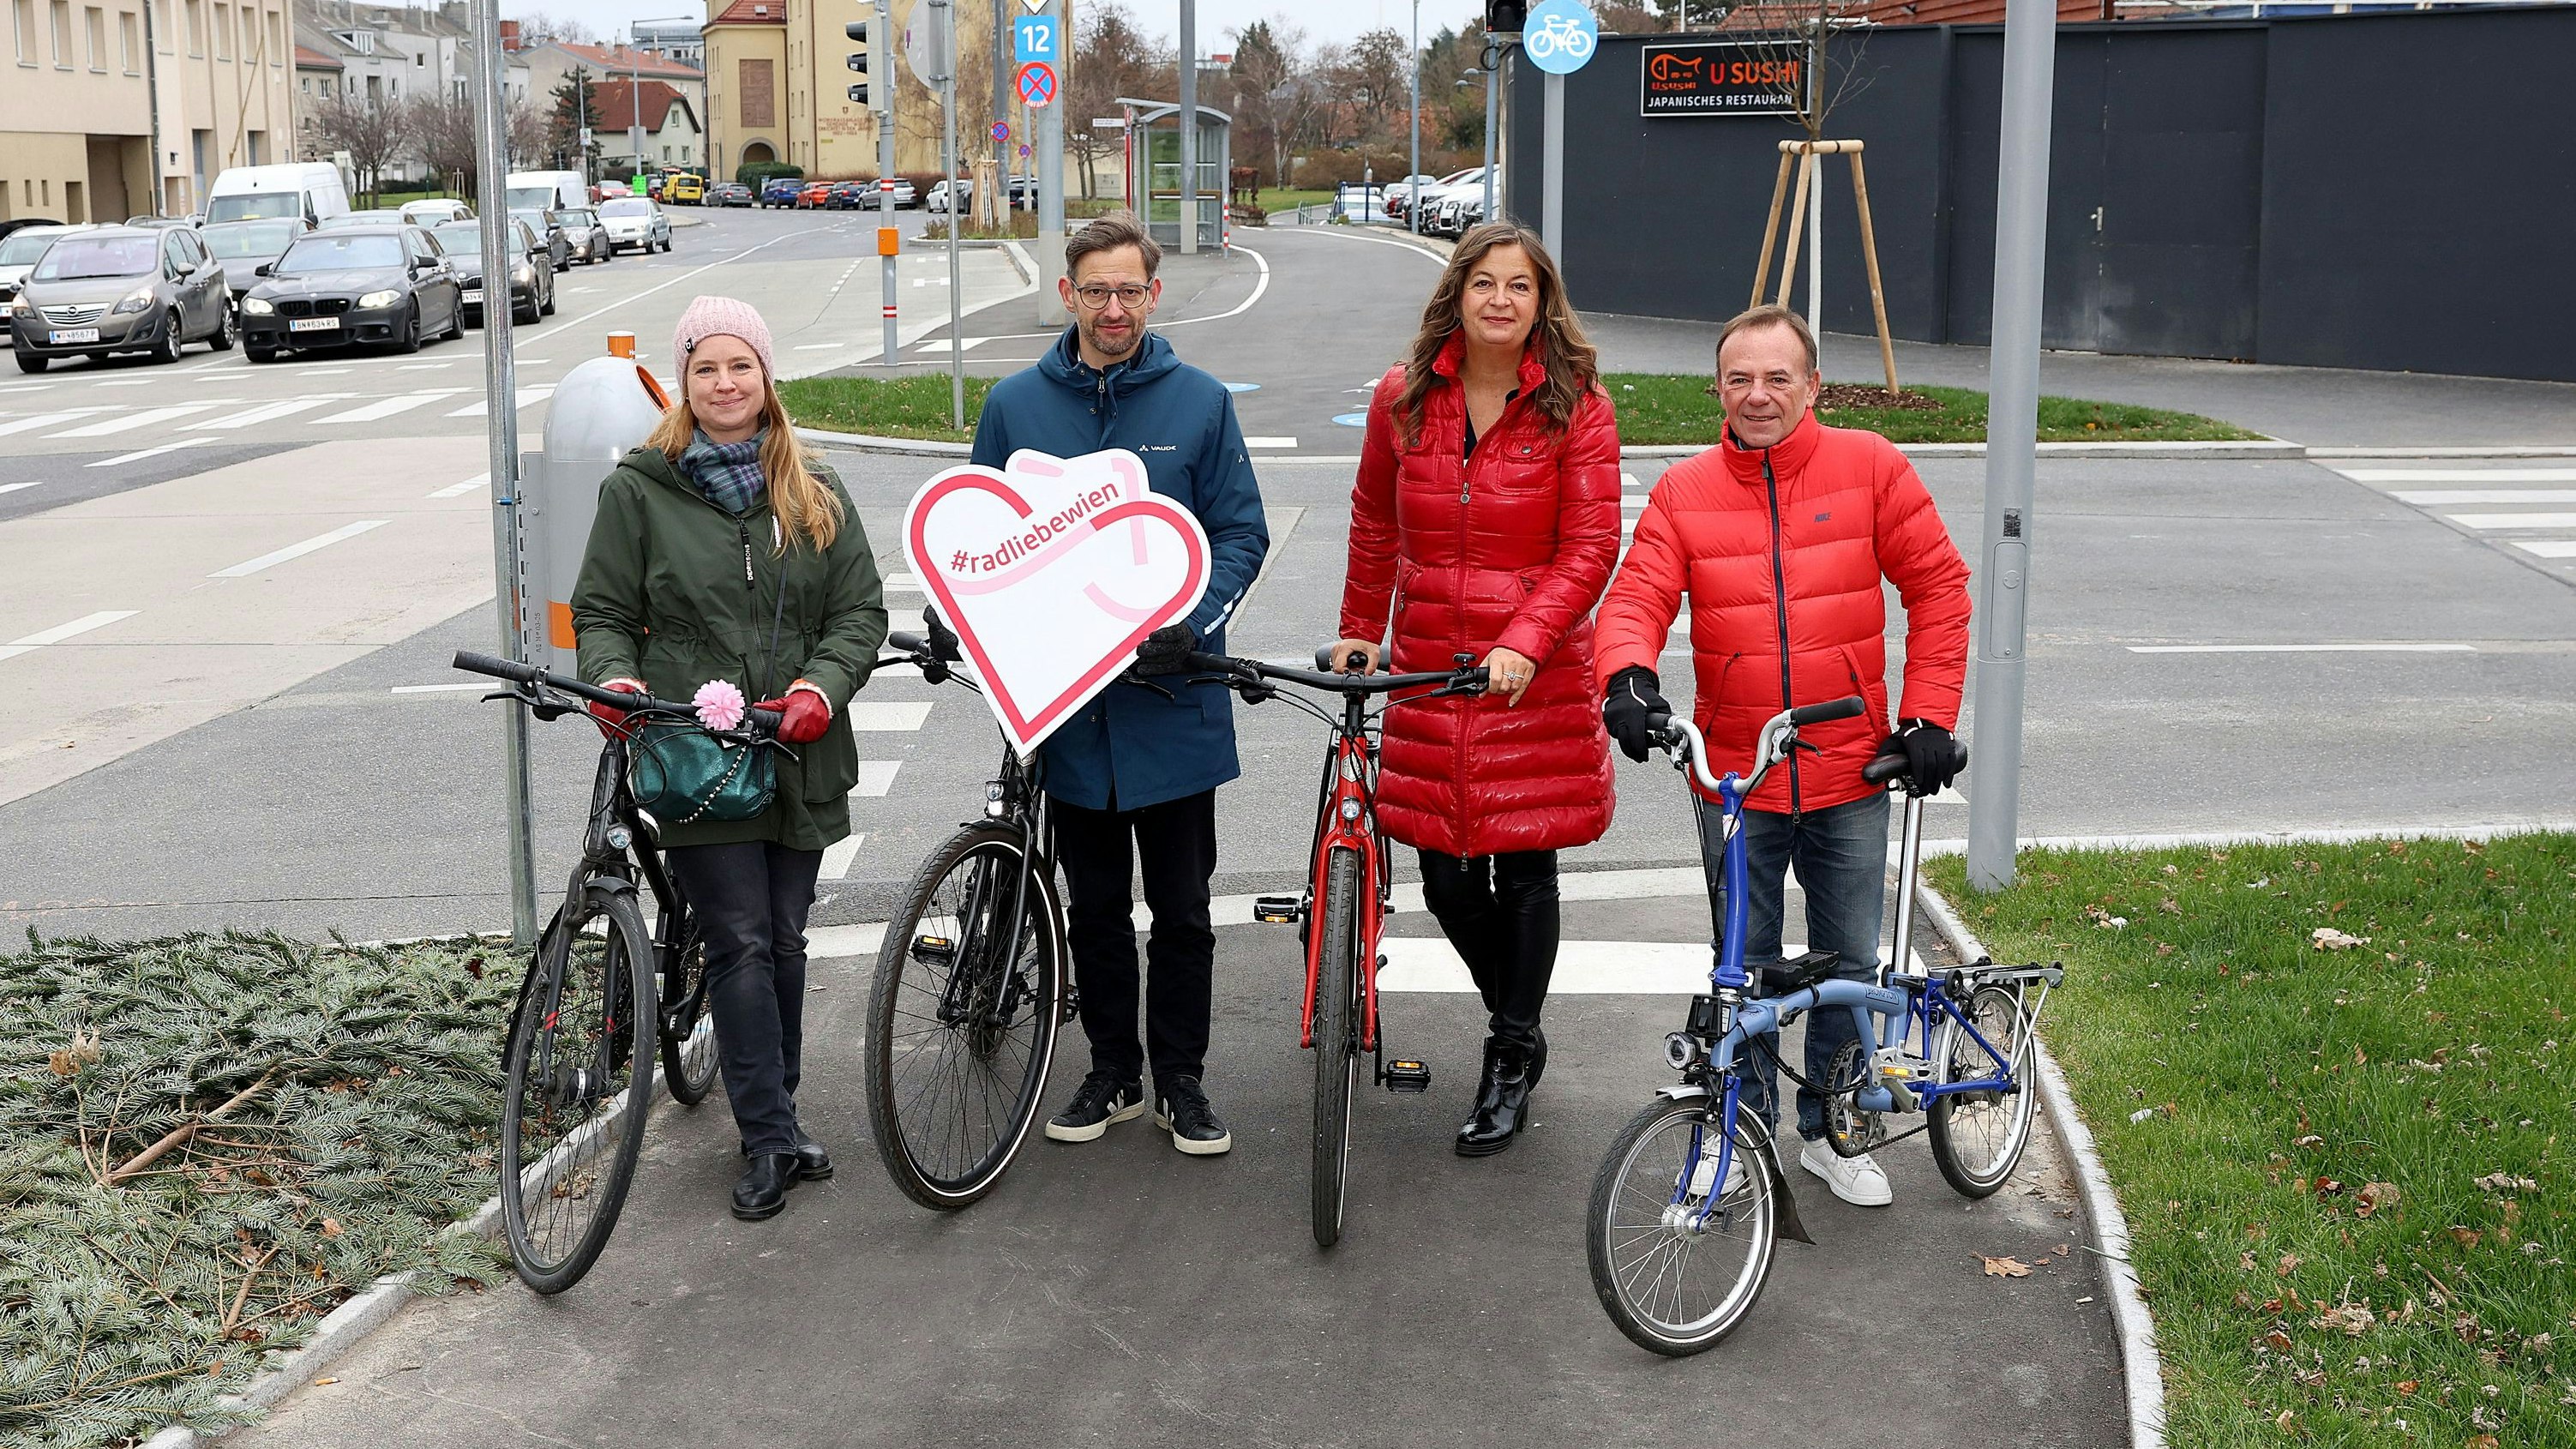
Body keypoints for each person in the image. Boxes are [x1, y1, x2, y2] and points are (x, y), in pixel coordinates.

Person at [1594, 304, 1971, 1206]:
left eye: (1775, 378)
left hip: (1849, 770)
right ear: (1716, 389)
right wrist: (1627, 679)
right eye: (1737, 379)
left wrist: (1924, 717)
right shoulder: (1685, 492)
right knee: (1745, 970)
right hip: (1734, 776)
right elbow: (1635, 596)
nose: (1755, 396)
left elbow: (1939, 587)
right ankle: (1743, 1136)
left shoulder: (1870, 466)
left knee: (1846, 965)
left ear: (1811, 385)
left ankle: (1835, 1131)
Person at [571, 296, 889, 1221]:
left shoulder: (815, 487)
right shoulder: (641, 487)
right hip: (698, 757)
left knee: (784, 938)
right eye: (706, 368)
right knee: (743, 938)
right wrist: (616, 679)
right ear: (684, 380)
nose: (724, 383)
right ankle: (765, 1137)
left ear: (765, 374)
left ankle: (777, 1112)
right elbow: (601, 613)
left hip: (797, 750)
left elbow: (858, 613)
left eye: (739, 366)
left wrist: (819, 689)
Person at [968, 211, 1270, 1156]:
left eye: (1127, 290)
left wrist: (1192, 621)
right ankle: (1112, 1073)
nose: (1111, 307)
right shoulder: (1015, 405)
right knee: (1093, 908)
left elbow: (1240, 533)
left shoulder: (1200, 403)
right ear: (1066, 293)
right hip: (1068, 717)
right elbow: (977, 540)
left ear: (1153, 292)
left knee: (1179, 910)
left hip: (1172, 708)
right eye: (1094, 289)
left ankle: (1181, 1079)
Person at [1327, 222, 1621, 1156]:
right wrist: (1356, 629)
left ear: (1543, 303)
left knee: (1525, 862)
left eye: (1519, 286)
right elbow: (1375, 520)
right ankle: (1522, 1023)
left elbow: (1590, 547)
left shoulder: (1579, 409)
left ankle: (1506, 1049)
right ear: (1455, 295)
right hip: (1427, 665)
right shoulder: (1402, 400)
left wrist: (1527, 640)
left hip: (1525, 677)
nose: (1500, 300)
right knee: (1444, 870)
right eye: (1483, 283)